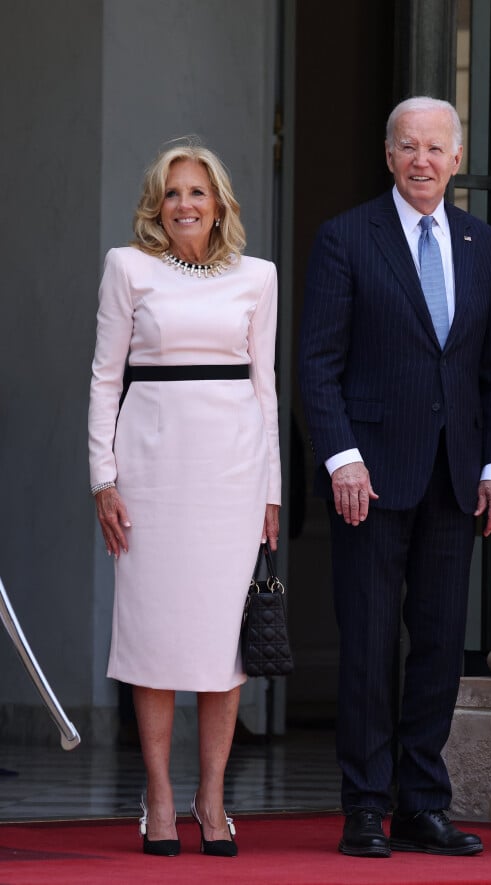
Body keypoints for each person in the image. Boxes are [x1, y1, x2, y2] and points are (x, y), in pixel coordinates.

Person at [299, 96, 491, 858]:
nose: (422, 160)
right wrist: (341, 456)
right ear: (388, 156)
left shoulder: (481, 243)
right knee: (365, 642)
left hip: (456, 476)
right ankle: (364, 804)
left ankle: (422, 801)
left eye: (436, 148)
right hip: (372, 476)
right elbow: (317, 364)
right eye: (408, 147)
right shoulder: (345, 238)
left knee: (437, 643)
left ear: (457, 159)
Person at [88, 142, 281, 857]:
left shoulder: (257, 277)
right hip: (149, 474)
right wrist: (101, 477)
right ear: (155, 205)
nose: (185, 205)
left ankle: (212, 794)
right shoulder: (127, 267)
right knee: (154, 635)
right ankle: (161, 796)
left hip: (232, 475)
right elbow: (105, 378)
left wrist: (272, 488)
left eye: (197, 192)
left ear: (220, 202)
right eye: (172, 193)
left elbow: (266, 387)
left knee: (218, 642)